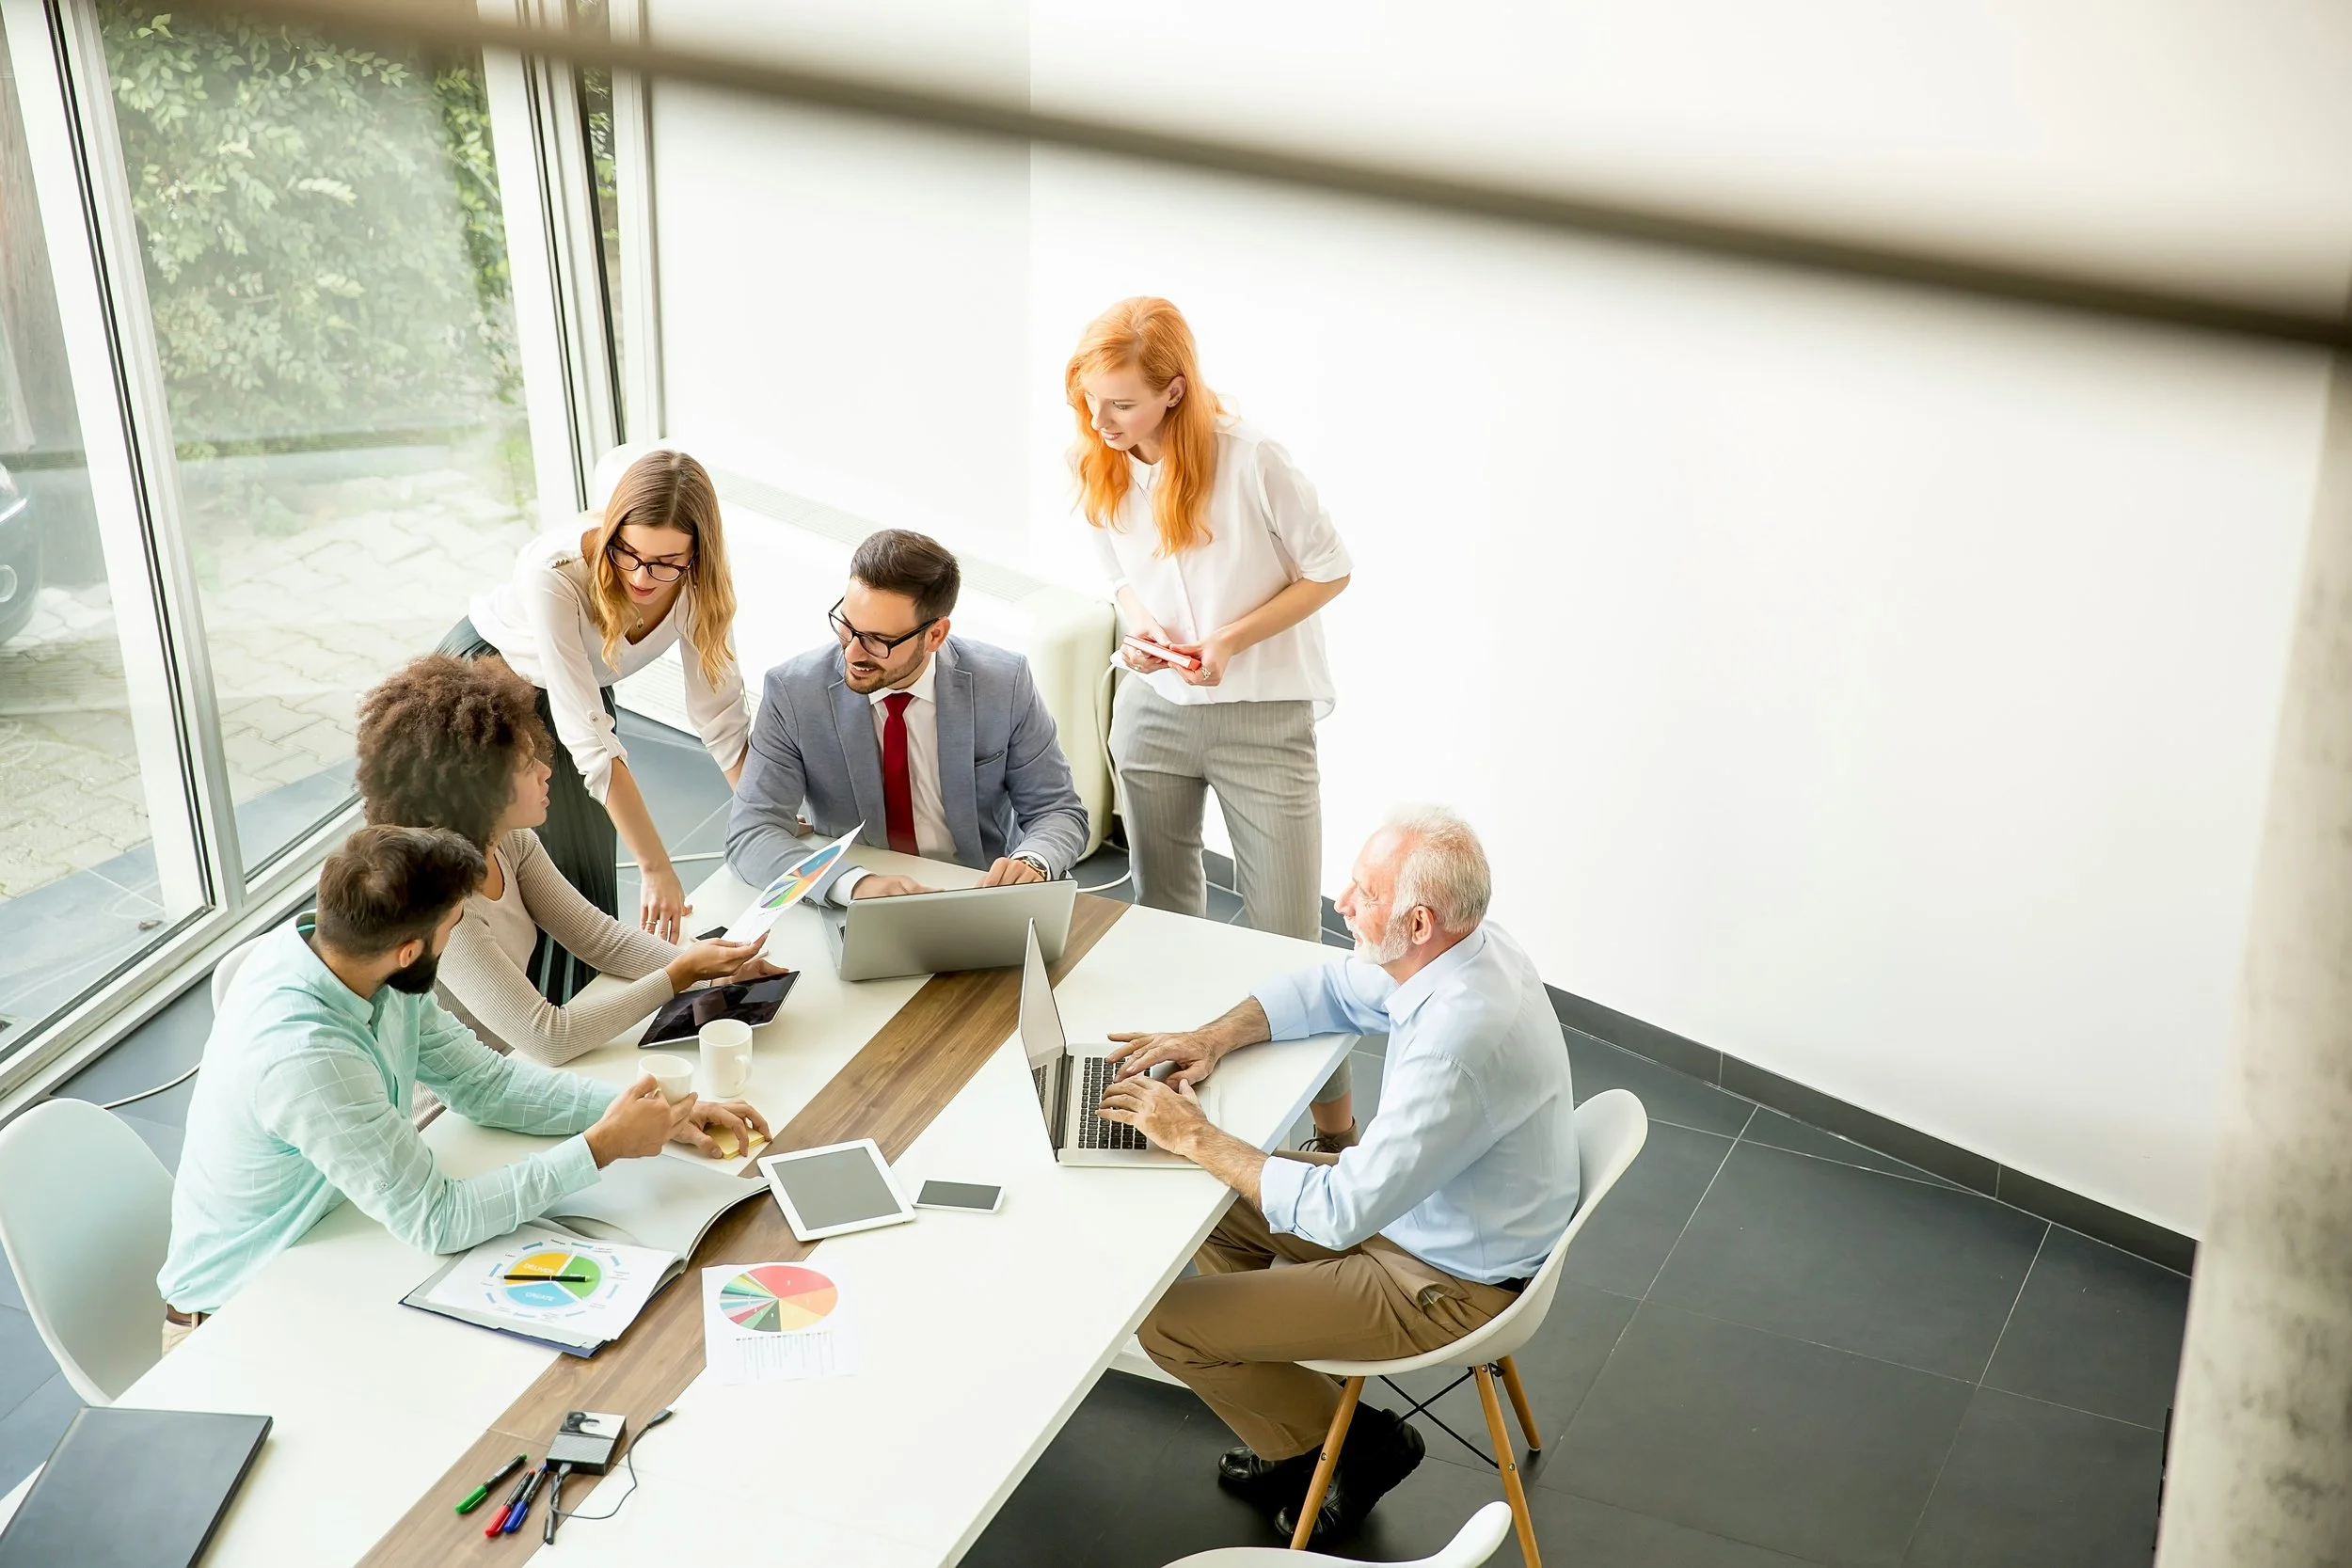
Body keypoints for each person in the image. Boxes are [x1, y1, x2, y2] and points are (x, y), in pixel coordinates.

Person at [1099, 808, 1578, 1544]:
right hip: (1429, 1215)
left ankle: (1348, 1445)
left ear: (1419, 922)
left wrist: (1196, 1133)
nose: (1343, 901)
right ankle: (1290, 1423)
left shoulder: (1458, 1039)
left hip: (1444, 1281)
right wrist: (1210, 1037)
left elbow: (1339, 1212)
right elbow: (1333, 989)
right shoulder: (1470, 948)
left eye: (1365, 891)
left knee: (1165, 1324)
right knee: (1206, 1189)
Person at [157, 826, 770, 1353]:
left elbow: (483, 1082)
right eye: (454, 924)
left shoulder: (358, 955)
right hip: (239, 1320)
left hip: (338, 1244)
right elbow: (439, 1218)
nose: (458, 937)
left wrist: (648, 1111)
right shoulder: (308, 1058)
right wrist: (600, 1147)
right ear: (408, 950)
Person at [1066, 296, 1359, 1150]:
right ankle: (1180, 1111)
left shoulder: (1253, 458)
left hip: (1263, 717)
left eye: (1120, 402)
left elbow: (1330, 571)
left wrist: (1230, 636)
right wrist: (1144, 632)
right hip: (1154, 711)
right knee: (1166, 916)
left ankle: (1333, 1132)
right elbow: (1118, 575)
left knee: (1290, 942)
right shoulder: (1099, 461)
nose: (1101, 418)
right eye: (1090, 399)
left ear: (1173, 390)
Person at [355, 654, 786, 1069]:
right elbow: (549, 1037)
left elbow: (602, 940)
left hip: (508, 1071)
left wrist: (713, 968)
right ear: (476, 791)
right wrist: (678, 975)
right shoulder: (447, 911)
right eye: (526, 766)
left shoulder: (511, 842)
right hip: (448, 1112)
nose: (546, 770)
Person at [453, 448, 750, 998]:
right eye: (627, 553)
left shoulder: (700, 586)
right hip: (493, 688)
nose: (642, 575)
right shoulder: (556, 572)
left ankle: (578, 1021)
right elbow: (590, 740)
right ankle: (527, 1028)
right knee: (518, 878)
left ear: (698, 555)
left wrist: (764, 815)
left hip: (574, 693)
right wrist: (656, 867)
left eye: (666, 563)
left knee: (583, 888)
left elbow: (722, 715)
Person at [725, 528, 1089, 904]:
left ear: (935, 635)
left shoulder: (1003, 682)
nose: (852, 654)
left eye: (878, 640)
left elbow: (1057, 810)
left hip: (977, 890)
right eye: (847, 627)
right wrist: (853, 885)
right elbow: (751, 834)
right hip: (855, 890)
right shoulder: (794, 692)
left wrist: (1033, 861)